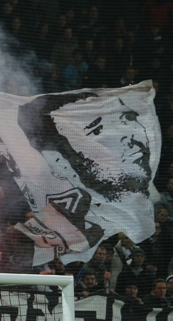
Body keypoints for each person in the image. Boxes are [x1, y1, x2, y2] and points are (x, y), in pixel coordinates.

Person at [18, 92, 152, 257]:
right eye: (99, 132)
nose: (131, 138)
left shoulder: (139, 210)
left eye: (127, 120)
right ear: (60, 159)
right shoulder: (57, 222)